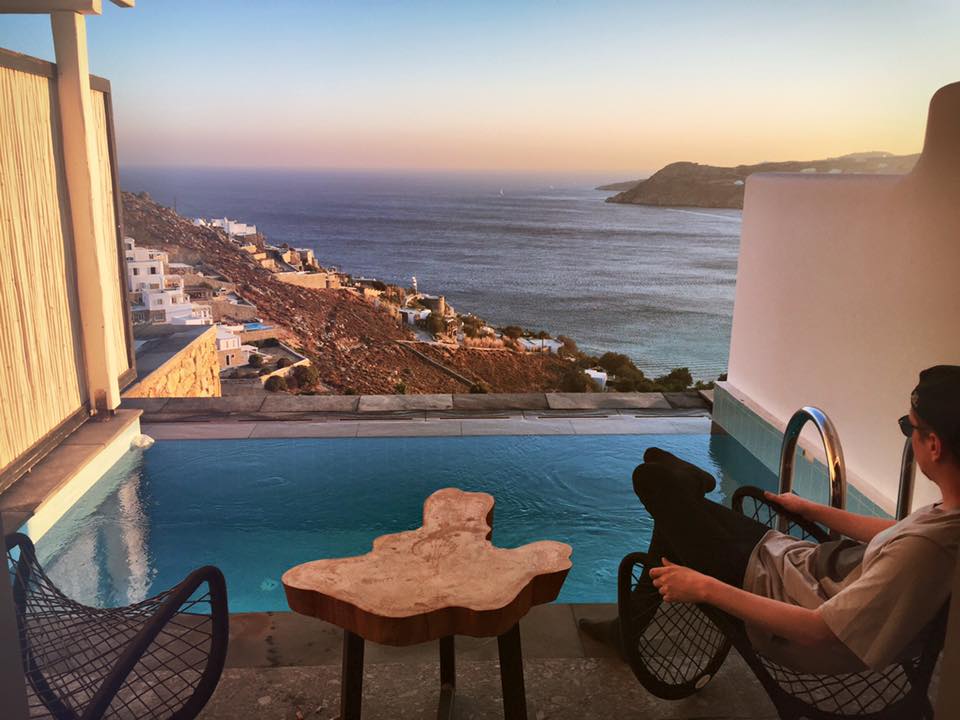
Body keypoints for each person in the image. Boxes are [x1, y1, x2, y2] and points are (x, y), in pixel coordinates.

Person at [580, 365, 960, 675]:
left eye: (908, 427)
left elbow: (820, 631)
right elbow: (895, 533)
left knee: (653, 480)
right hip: (793, 567)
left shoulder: (927, 549)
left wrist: (705, 588)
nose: (907, 436)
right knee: (670, 502)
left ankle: (689, 492)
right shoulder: (947, 516)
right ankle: (628, 628)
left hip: (777, 599)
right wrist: (811, 509)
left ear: (933, 445)